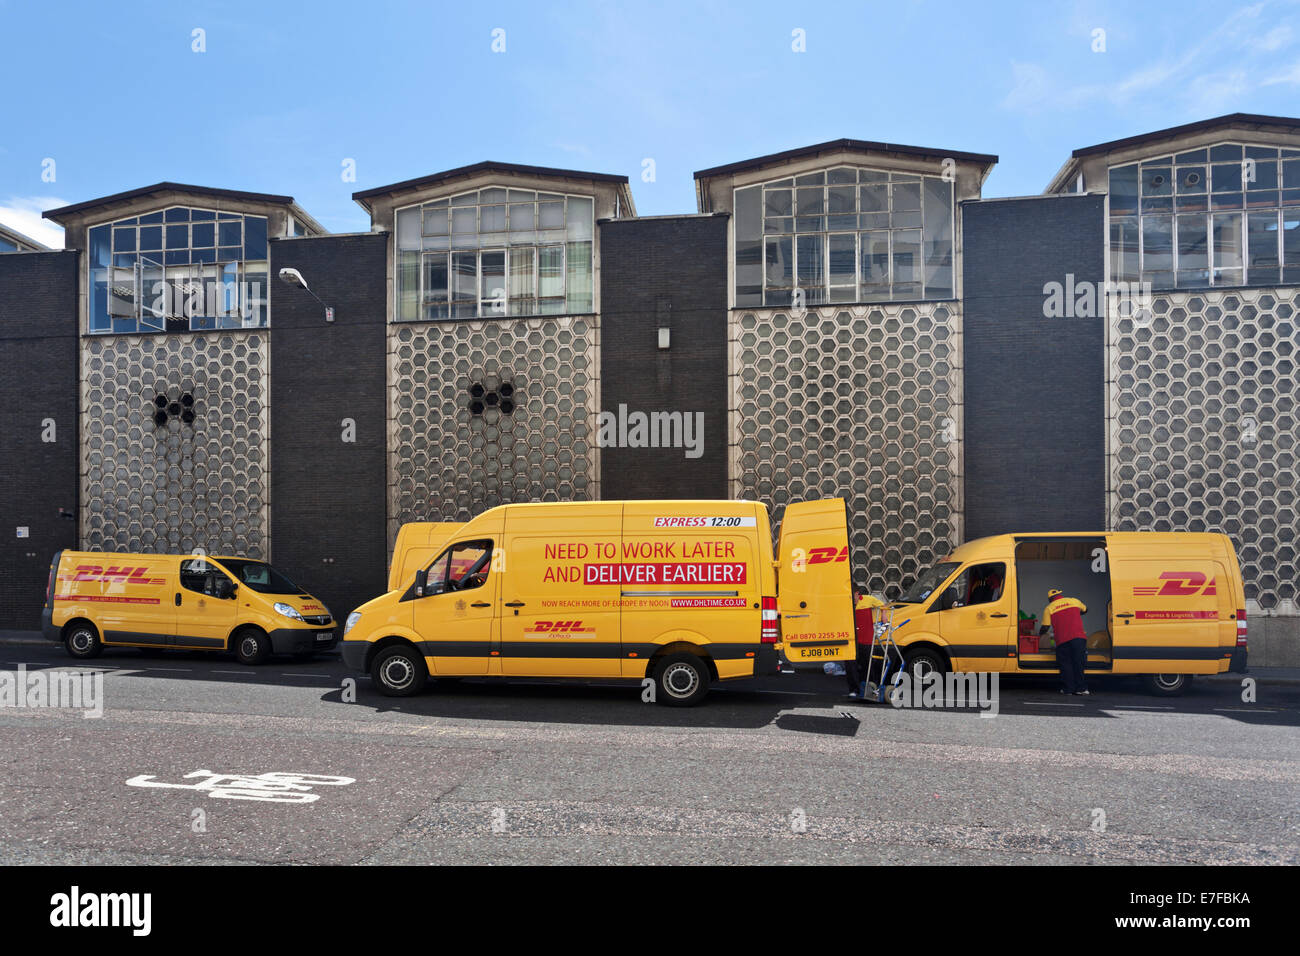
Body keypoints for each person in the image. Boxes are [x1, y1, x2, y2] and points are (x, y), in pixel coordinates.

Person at [1040, 588, 1089, 695]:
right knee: (1079, 663)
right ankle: (1081, 689)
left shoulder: (1049, 608)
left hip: (1062, 640)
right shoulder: (1074, 601)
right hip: (1079, 638)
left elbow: (1045, 627)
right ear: (1060, 594)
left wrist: (1039, 634)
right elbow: (1085, 610)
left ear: (1050, 599)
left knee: (1066, 665)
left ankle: (1068, 689)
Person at [846, 589, 885, 698]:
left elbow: (882, 605)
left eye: (853, 596)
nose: (852, 599)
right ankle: (854, 690)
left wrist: (884, 615)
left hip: (866, 639)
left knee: (868, 664)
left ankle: (871, 689)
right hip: (852, 640)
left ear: (858, 594)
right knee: (850, 665)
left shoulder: (868, 599)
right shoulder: (846, 602)